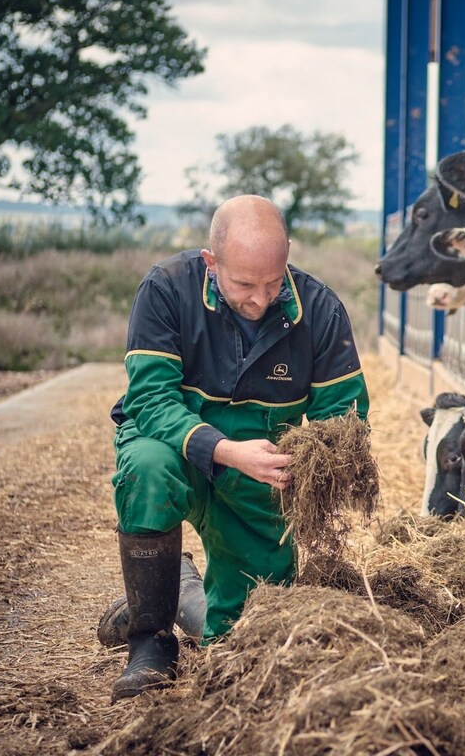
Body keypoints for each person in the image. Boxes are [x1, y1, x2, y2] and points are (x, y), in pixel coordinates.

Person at [105, 195, 369, 703]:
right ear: (211, 263)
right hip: (173, 445)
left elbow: (347, 421)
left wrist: (323, 469)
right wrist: (226, 450)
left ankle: (175, 592)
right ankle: (150, 642)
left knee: (245, 636)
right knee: (147, 469)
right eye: (244, 284)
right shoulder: (165, 289)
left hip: (259, 470)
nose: (261, 299)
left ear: (287, 253)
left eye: (273, 282)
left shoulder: (320, 308)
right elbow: (151, 399)